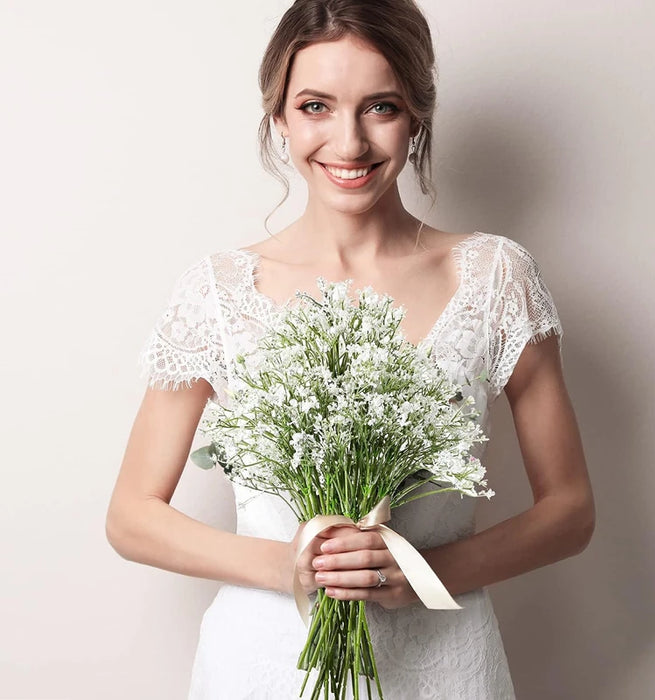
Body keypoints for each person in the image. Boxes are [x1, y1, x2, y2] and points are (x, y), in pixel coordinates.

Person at [106, 0, 595, 697]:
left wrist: (424, 573)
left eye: (380, 107)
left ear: (418, 114)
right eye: (314, 106)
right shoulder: (217, 290)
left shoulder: (495, 276)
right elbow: (131, 515)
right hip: (264, 665)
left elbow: (570, 510)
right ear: (278, 116)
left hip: (442, 664)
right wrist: (289, 566)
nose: (349, 142)